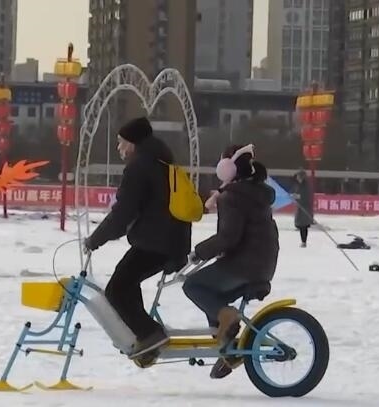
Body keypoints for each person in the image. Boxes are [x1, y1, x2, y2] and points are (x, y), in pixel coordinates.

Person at [84, 117, 192, 359]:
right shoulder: (162, 162)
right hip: (171, 241)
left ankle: (150, 334)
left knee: (117, 289)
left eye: (121, 142)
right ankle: (145, 339)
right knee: (127, 284)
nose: (119, 147)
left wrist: (95, 240)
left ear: (132, 143)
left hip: (155, 243)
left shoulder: (139, 168)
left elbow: (123, 213)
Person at [183, 144, 279, 379]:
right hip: (263, 265)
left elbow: (228, 237)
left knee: (193, 285)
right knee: (214, 297)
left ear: (228, 167)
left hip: (243, 265)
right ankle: (228, 349)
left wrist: (199, 252)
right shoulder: (255, 193)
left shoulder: (233, 197)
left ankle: (227, 327)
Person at [292, 170, 314, 247]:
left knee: (304, 225)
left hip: (305, 208)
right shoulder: (297, 185)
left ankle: (304, 241)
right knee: (300, 224)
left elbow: (306, 196)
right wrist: (295, 196)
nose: (297, 177)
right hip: (300, 207)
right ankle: (303, 240)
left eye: (298, 176)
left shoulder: (306, 185)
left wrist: (297, 196)